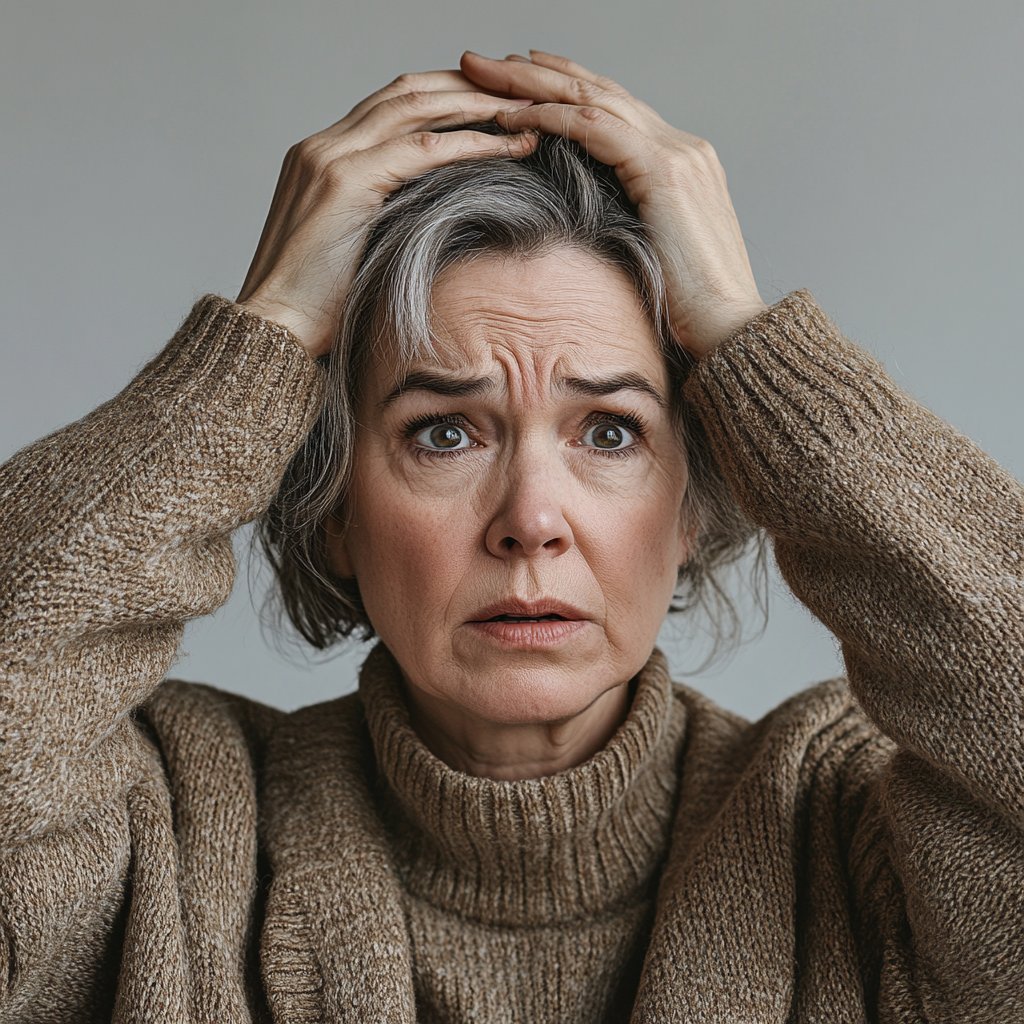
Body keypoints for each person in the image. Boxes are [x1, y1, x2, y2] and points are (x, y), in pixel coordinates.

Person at [0, 49, 1021, 1023]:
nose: (531, 520)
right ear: (335, 509)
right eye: (443, 432)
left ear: (695, 503)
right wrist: (257, 339)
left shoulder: (852, 832)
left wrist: (750, 340)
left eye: (610, 431)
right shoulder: (167, 827)